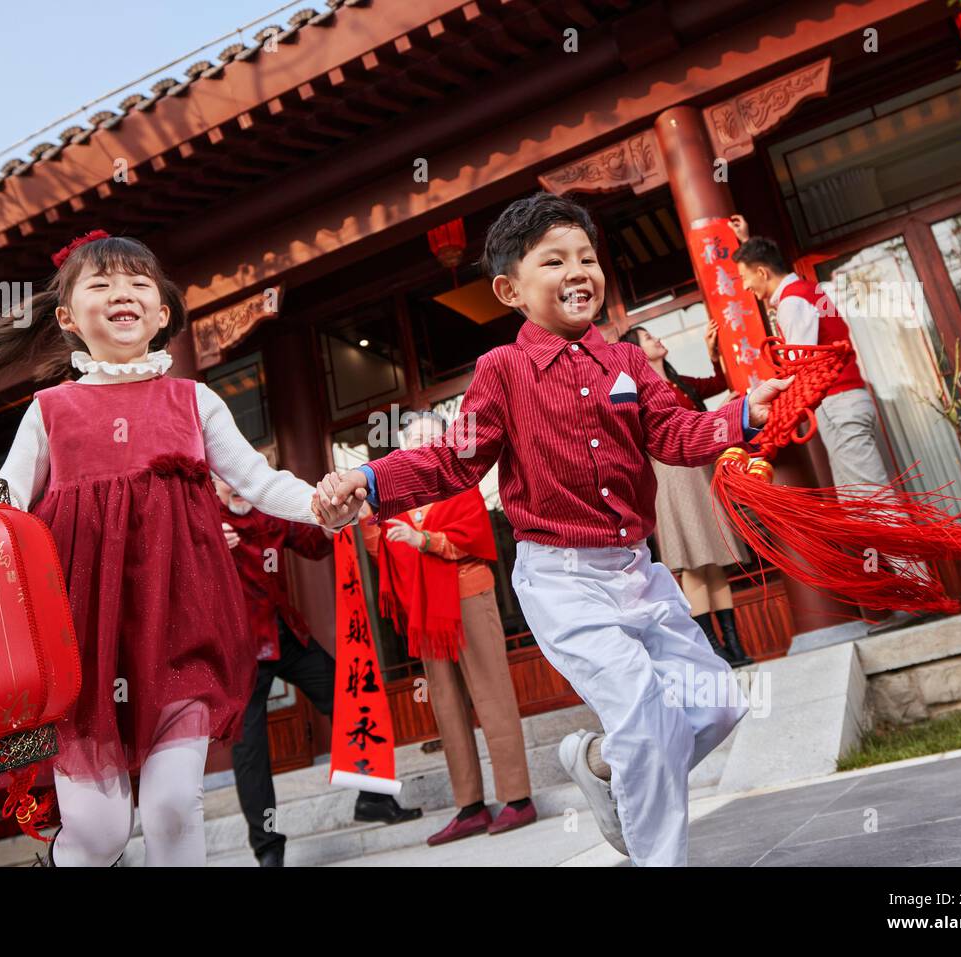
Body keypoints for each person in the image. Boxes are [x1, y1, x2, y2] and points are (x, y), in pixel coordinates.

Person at [311, 193, 794, 865]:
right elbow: (454, 459)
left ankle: (598, 763)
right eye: (555, 260)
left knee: (716, 706)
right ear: (510, 288)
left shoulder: (627, 364)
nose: (579, 271)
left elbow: (677, 434)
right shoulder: (501, 372)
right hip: (563, 579)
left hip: (639, 572)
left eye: (588, 258)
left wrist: (742, 414)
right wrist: (366, 482)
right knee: (648, 719)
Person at [0, 232, 357, 867]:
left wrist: (321, 503)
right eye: (101, 283)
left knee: (176, 805)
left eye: (139, 282)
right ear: (67, 318)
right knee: (99, 834)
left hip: (183, 629)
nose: (123, 293)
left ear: (163, 312)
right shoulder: (49, 411)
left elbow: (258, 483)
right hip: (81, 644)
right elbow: (0, 513)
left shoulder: (194, 400)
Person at [216, 476, 420, 867]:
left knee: (347, 697)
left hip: (284, 632)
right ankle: (268, 849)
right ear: (213, 485)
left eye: (240, 478)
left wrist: (333, 523)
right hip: (238, 648)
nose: (236, 487)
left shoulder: (265, 510)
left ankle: (373, 797)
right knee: (250, 752)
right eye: (225, 482)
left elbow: (311, 543)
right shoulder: (204, 519)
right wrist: (205, 543)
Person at [729, 215, 918, 632]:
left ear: (762, 272)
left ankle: (916, 593)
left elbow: (801, 363)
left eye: (746, 277)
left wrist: (767, 397)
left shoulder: (795, 301)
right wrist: (747, 240)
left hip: (839, 405)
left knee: (871, 502)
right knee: (864, 501)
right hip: (850, 401)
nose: (745, 288)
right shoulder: (804, 290)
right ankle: (909, 593)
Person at [359, 410, 536, 846]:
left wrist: (425, 541)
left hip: (468, 593)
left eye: (426, 436)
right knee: (445, 704)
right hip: (426, 611)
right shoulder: (394, 499)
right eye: (409, 438)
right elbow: (382, 550)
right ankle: (469, 805)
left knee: (491, 693)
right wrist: (362, 517)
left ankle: (517, 798)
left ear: (444, 444)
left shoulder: (460, 483)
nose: (416, 443)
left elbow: (476, 538)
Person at [633, 326, 753, 667]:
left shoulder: (679, 383)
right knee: (694, 563)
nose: (657, 338)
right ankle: (712, 647)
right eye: (647, 337)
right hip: (670, 475)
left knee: (714, 559)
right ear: (636, 352)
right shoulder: (642, 393)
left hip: (700, 470)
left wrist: (714, 354)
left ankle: (734, 643)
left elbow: (719, 384)